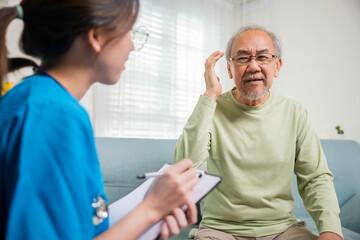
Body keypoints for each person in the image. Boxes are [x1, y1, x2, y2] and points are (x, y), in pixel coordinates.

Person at [0, 1, 199, 239]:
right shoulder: (52, 114)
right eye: (129, 32)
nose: (132, 45)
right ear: (95, 36)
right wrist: (151, 209)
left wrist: (150, 218)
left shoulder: (32, 97)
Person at [174, 25, 343, 240]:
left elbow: (315, 179)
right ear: (229, 69)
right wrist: (209, 95)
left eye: (263, 57)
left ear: (277, 66)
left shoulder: (294, 112)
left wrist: (331, 231)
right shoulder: (212, 108)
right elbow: (185, 165)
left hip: (283, 229)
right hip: (220, 229)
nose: (253, 66)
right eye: (243, 58)